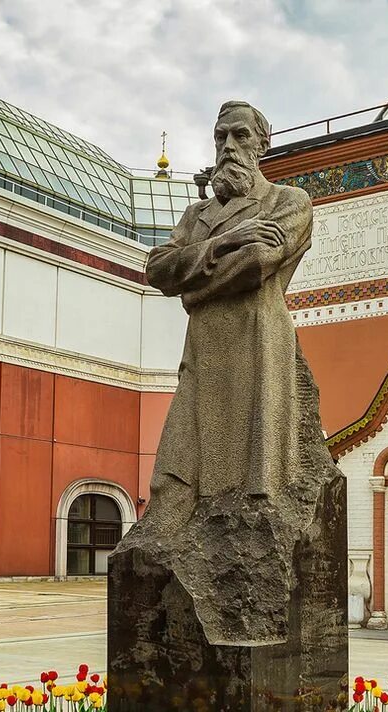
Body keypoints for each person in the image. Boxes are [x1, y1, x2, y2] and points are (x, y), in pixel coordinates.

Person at [142, 100, 315, 535]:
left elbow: (258, 263)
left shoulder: (288, 201)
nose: (228, 146)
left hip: (255, 349)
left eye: (240, 136)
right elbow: (157, 269)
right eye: (221, 137)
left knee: (251, 484)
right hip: (202, 355)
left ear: (262, 143)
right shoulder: (195, 215)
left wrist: (192, 289)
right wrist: (225, 242)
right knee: (172, 476)